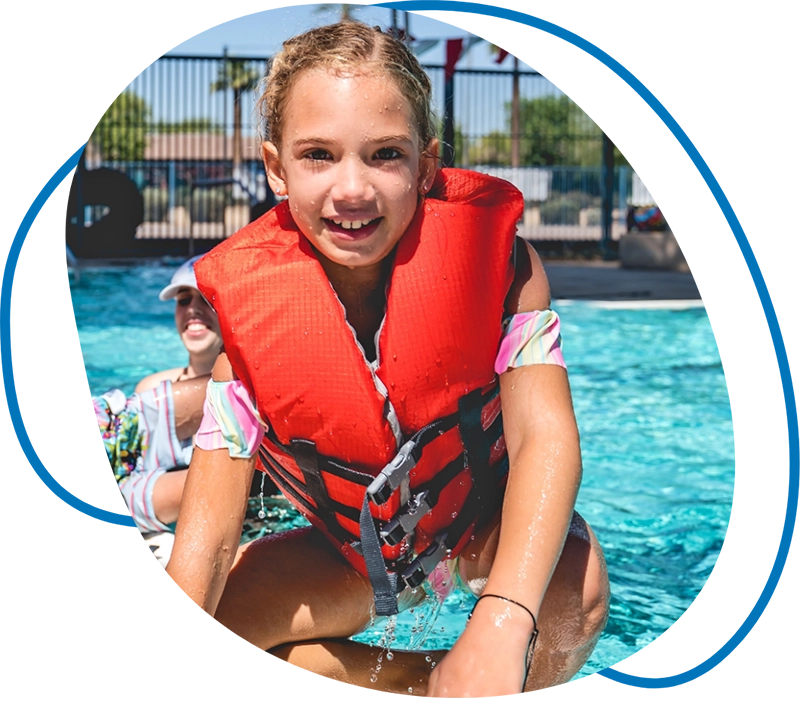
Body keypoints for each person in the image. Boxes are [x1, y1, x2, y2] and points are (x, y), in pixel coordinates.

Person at [165, 22, 610, 698]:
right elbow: (207, 547)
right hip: (348, 554)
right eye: (318, 154)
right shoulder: (247, 342)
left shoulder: (506, 273)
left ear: (427, 165)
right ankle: (423, 682)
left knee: (575, 588)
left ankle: (515, 691)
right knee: (206, 630)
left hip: (475, 527)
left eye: (384, 155)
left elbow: (544, 437)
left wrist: (500, 617)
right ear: (275, 167)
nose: (353, 189)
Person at [92, 256, 222, 546]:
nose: (193, 310)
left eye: (207, 299)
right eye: (183, 299)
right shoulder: (151, 387)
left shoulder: (150, 401)